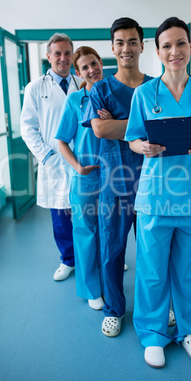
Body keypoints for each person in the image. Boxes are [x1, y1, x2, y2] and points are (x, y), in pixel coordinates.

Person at [125, 17, 191, 368]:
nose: (174, 51)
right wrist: (143, 148)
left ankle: (187, 331)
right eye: (167, 45)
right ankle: (153, 334)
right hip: (156, 197)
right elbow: (133, 138)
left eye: (181, 43)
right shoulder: (144, 94)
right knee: (152, 269)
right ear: (158, 52)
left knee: (188, 269)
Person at [82, 17, 153, 337]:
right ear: (113, 48)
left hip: (154, 182)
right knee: (111, 251)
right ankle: (113, 309)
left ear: (142, 45)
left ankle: (158, 304)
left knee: (155, 250)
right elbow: (99, 128)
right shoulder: (101, 89)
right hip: (115, 184)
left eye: (132, 42)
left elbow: (113, 127)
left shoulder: (157, 87)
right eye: (120, 42)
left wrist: (119, 124)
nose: (126, 48)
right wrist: (142, 126)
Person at [21, 33, 81, 281]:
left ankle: (98, 256)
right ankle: (69, 260)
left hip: (81, 160)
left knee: (89, 213)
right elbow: (27, 127)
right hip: (54, 161)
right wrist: (46, 156)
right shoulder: (36, 87)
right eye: (58, 53)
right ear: (49, 56)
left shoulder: (83, 83)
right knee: (61, 217)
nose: (63, 58)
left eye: (67, 53)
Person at [55, 46, 111, 310]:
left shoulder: (115, 94)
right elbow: (62, 141)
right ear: (78, 73)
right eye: (85, 67)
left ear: (101, 62)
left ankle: (110, 283)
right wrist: (77, 167)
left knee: (111, 232)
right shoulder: (75, 101)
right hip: (86, 178)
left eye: (94, 63)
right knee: (86, 233)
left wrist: (112, 122)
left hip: (115, 176)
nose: (92, 70)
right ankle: (91, 289)